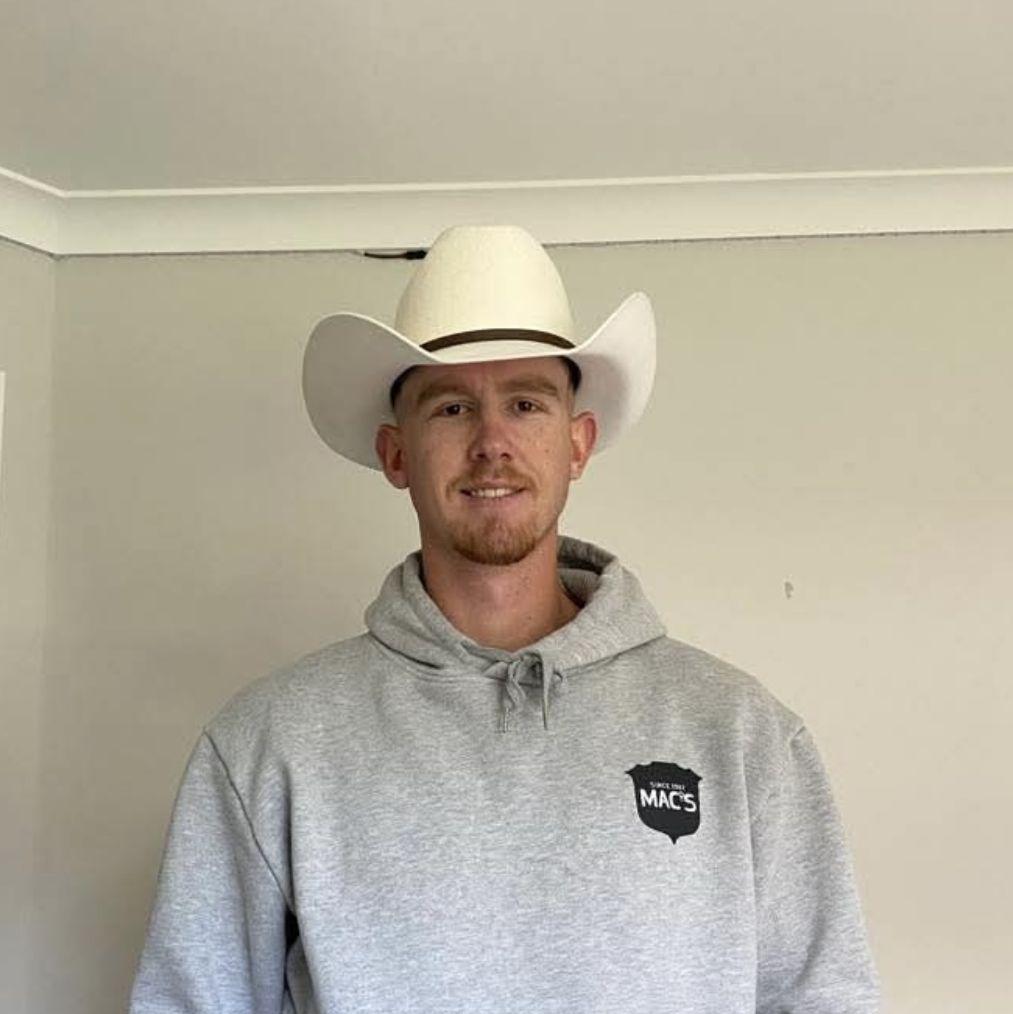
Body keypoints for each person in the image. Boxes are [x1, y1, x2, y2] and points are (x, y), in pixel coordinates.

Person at [128, 224, 882, 1013]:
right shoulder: (270, 743)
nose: (492, 443)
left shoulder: (740, 734)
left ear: (577, 444)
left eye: (525, 404)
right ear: (395, 454)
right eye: (452, 407)